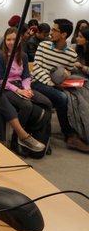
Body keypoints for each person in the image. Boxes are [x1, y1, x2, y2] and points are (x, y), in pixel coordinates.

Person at [31, 18, 89, 152]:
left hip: (55, 85)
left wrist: (65, 78)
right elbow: (37, 68)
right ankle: (68, 134)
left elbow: (66, 72)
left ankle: (80, 131)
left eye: (54, 30)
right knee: (62, 97)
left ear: (63, 34)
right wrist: (52, 84)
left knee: (75, 98)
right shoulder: (43, 46)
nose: (50, 33)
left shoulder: (71, 54)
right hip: (37, 82)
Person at [0, 27, 51, 127]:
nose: (11, 42)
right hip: (6, 89)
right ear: (5, 40)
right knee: (27, 105)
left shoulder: (23, 56)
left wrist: (27, 89)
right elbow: (0, 81)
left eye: (14, 39)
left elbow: (26, 76)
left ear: (19, 40)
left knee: (47, 103)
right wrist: (18, 91)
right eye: (8, 39)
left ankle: (34, 130)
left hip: (21, 85)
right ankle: (18, 136)